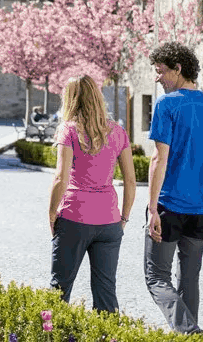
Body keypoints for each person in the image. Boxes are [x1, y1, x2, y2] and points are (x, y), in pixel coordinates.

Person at [144, 42, 203, 334]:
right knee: (189, 280)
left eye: (160, 72)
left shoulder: (167, 105)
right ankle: (188, 337)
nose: (158, 79)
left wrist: (151, 209)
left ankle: (189, 333)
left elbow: (159, 158)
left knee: (156, 276)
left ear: (178, 69)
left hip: (169, 206)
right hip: (202, 211)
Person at [48, 74, 137, 313]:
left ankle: (49, 337)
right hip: (109, 222)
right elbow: (130, 179)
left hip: (74, 218)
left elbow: (60, 178)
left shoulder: (68, 131)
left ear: (71, 99)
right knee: (106, 293)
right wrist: (124, 218)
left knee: (59, 290)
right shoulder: (118, 132)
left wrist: (52, 214)